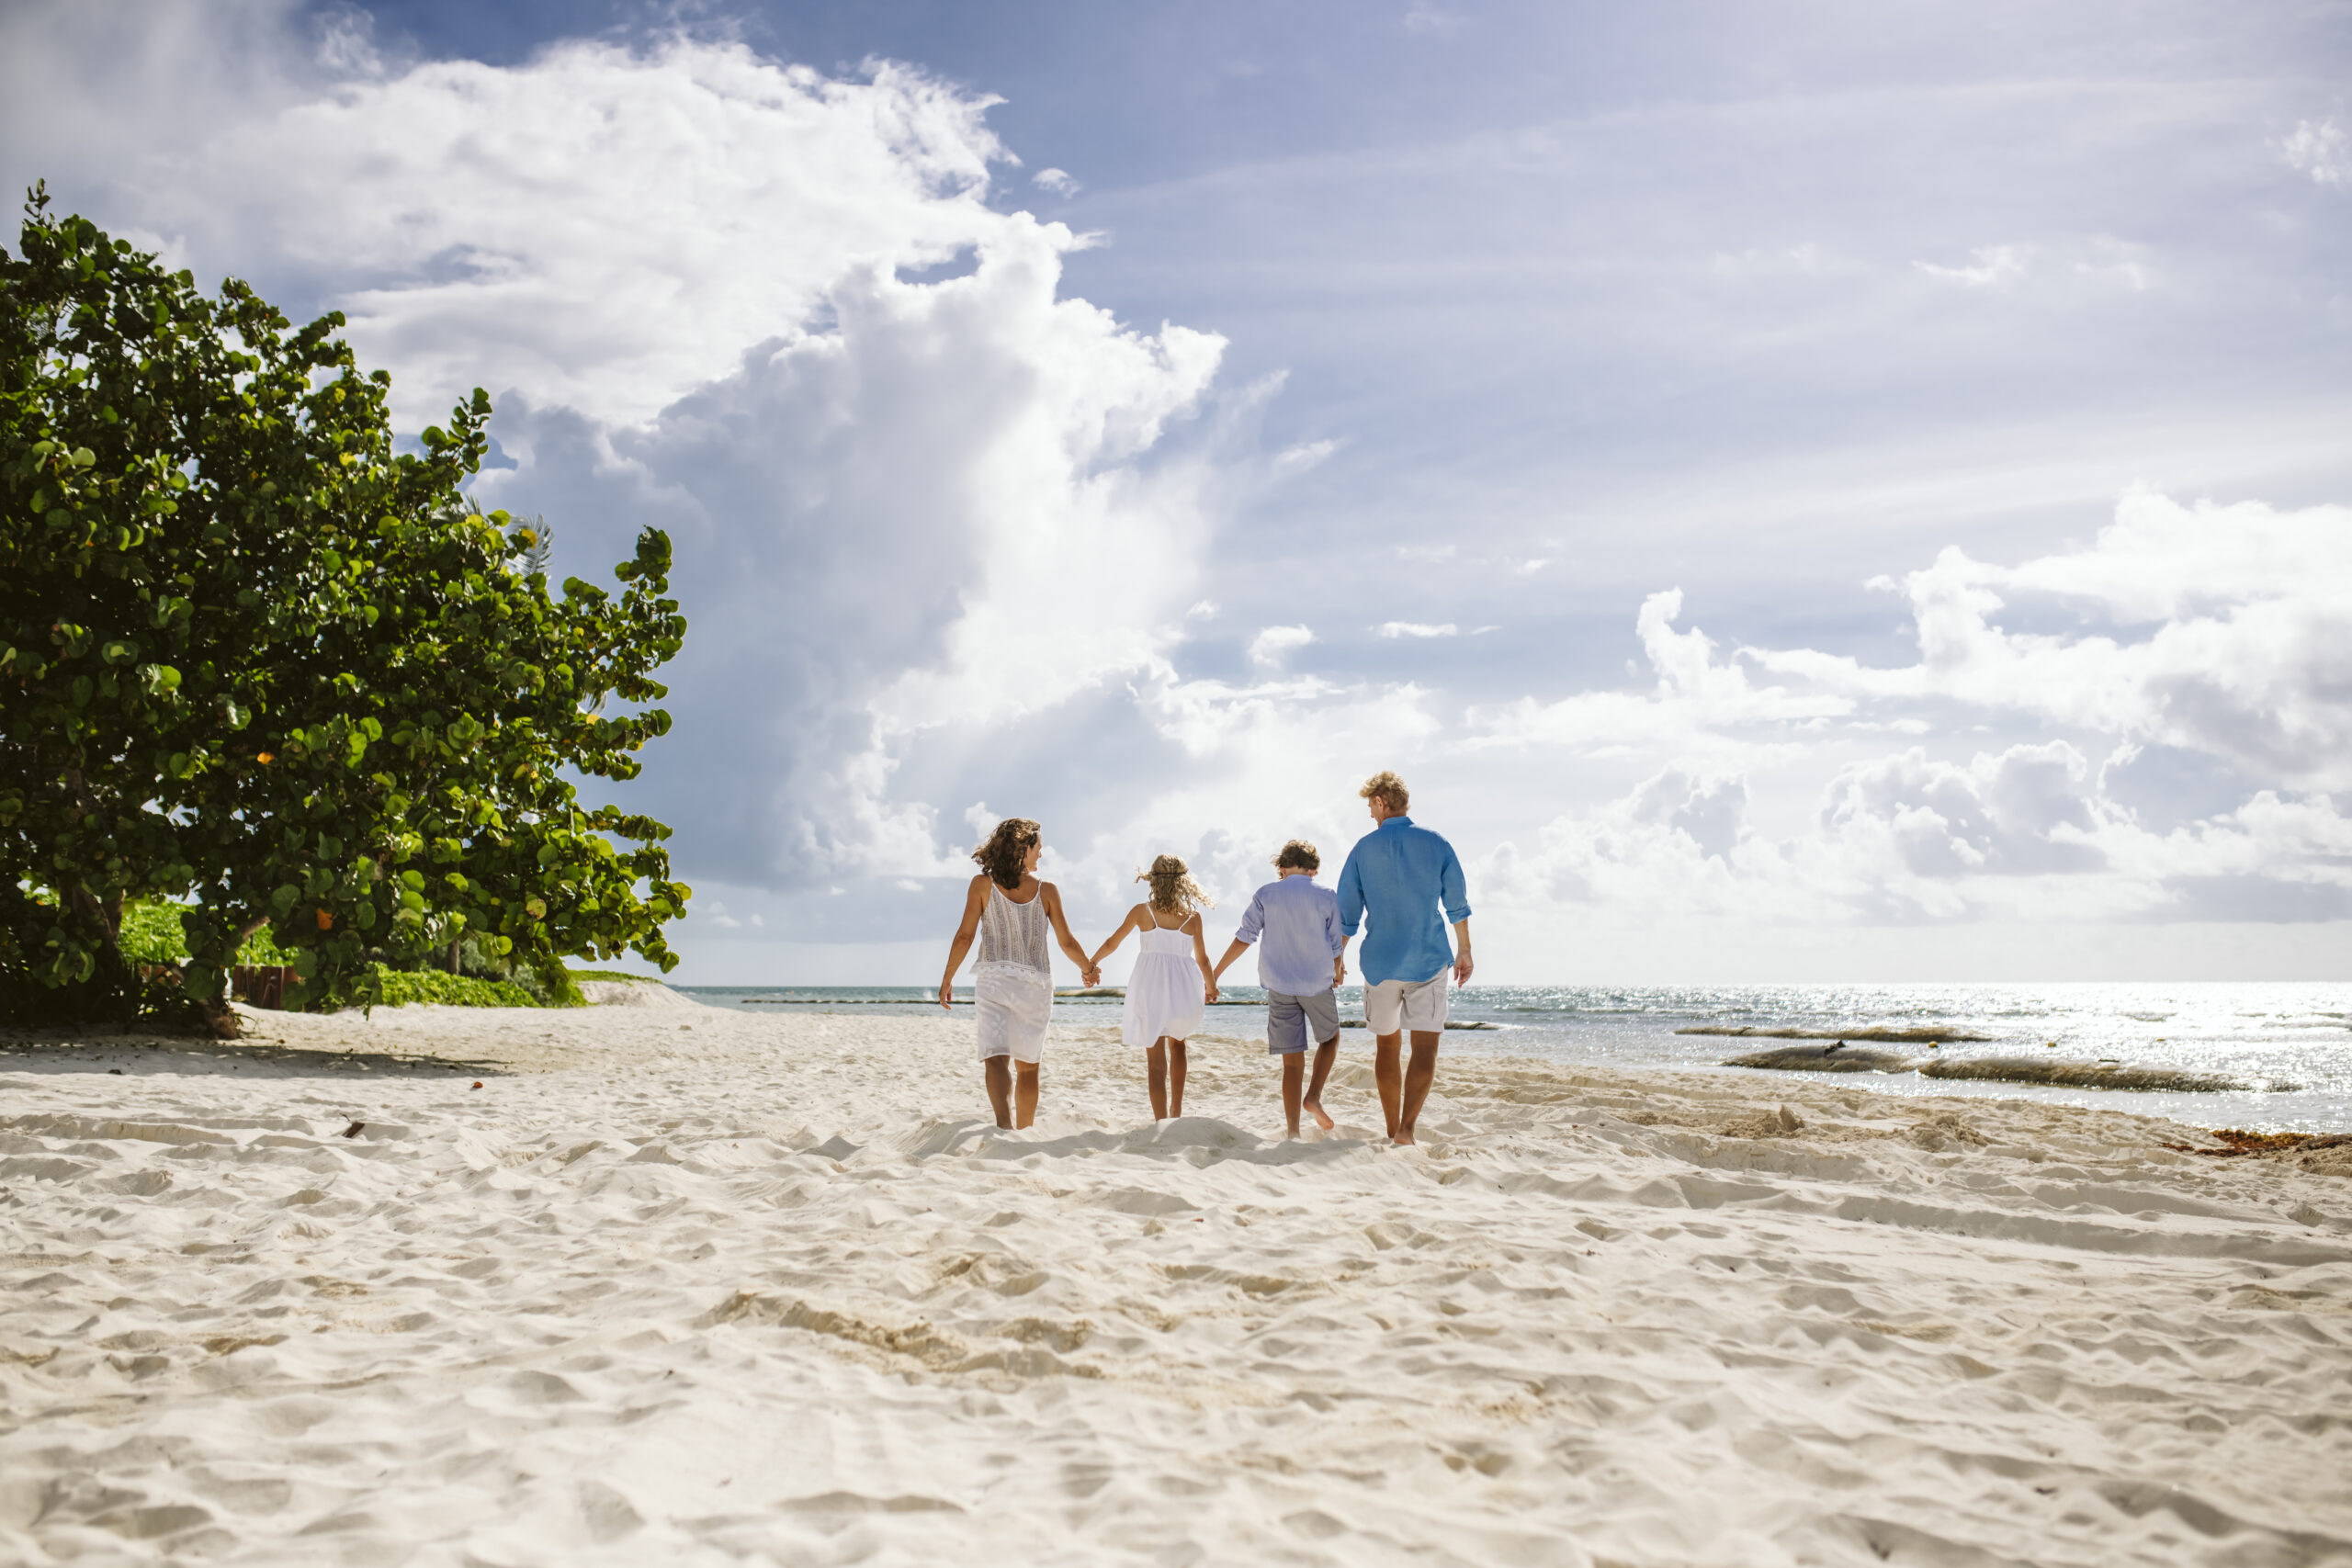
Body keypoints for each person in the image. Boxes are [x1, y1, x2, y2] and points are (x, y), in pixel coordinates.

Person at [1336, 772, 1472, 1145]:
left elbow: (1347, 912)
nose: (1369, 814)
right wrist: (1465, 950)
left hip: (1381, 964)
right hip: (1428, 959)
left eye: (1370, 806)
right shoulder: (1437, 844)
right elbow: (1456, 904)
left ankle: (1391, 1127)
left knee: (1387, 1046)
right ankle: (1408, 1130)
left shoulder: (1363, 849)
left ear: (1381, 801)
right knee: (1425, 1048)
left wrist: (1339, 956)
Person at [938, 818, 1099, 1130]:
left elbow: (964, 936)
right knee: (1028, 1068)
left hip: (993, 980)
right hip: (1035, 986)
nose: (1041, 853)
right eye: (1038, 848)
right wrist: (1088, 969)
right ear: (1024, 849)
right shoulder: (1047, 891)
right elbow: (1067, 941)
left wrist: (948, 978)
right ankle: (1024, 1132)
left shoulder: (981, 885)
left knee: (996, 1058)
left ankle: (1004, 1126)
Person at [1210, 840, 1346, 1137]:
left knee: (1292, 1062)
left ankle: (1293, 1132)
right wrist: (1338, 970)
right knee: (1331, 1038)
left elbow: (1245, 937)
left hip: (1280, 985)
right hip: (1316, 983)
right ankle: (1314, 1096)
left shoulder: (1266, 893)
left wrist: (1215, 973)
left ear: (1281, 868)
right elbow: (1336, 943)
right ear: (1314, 869)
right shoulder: (1327, 895)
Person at [1089, 855, 1218, 1120]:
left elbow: (1113, 942)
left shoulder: (1142, 912)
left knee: (1155, 1058)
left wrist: (1092, 963)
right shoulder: (1192, 917)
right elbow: (1203, 959)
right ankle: (1176, 1111)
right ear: (1184, 881)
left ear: (1153, 880)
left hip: (1150, 985)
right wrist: (1211, 986)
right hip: (1184, 985)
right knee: (1179, 1045)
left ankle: (1161, 1118)